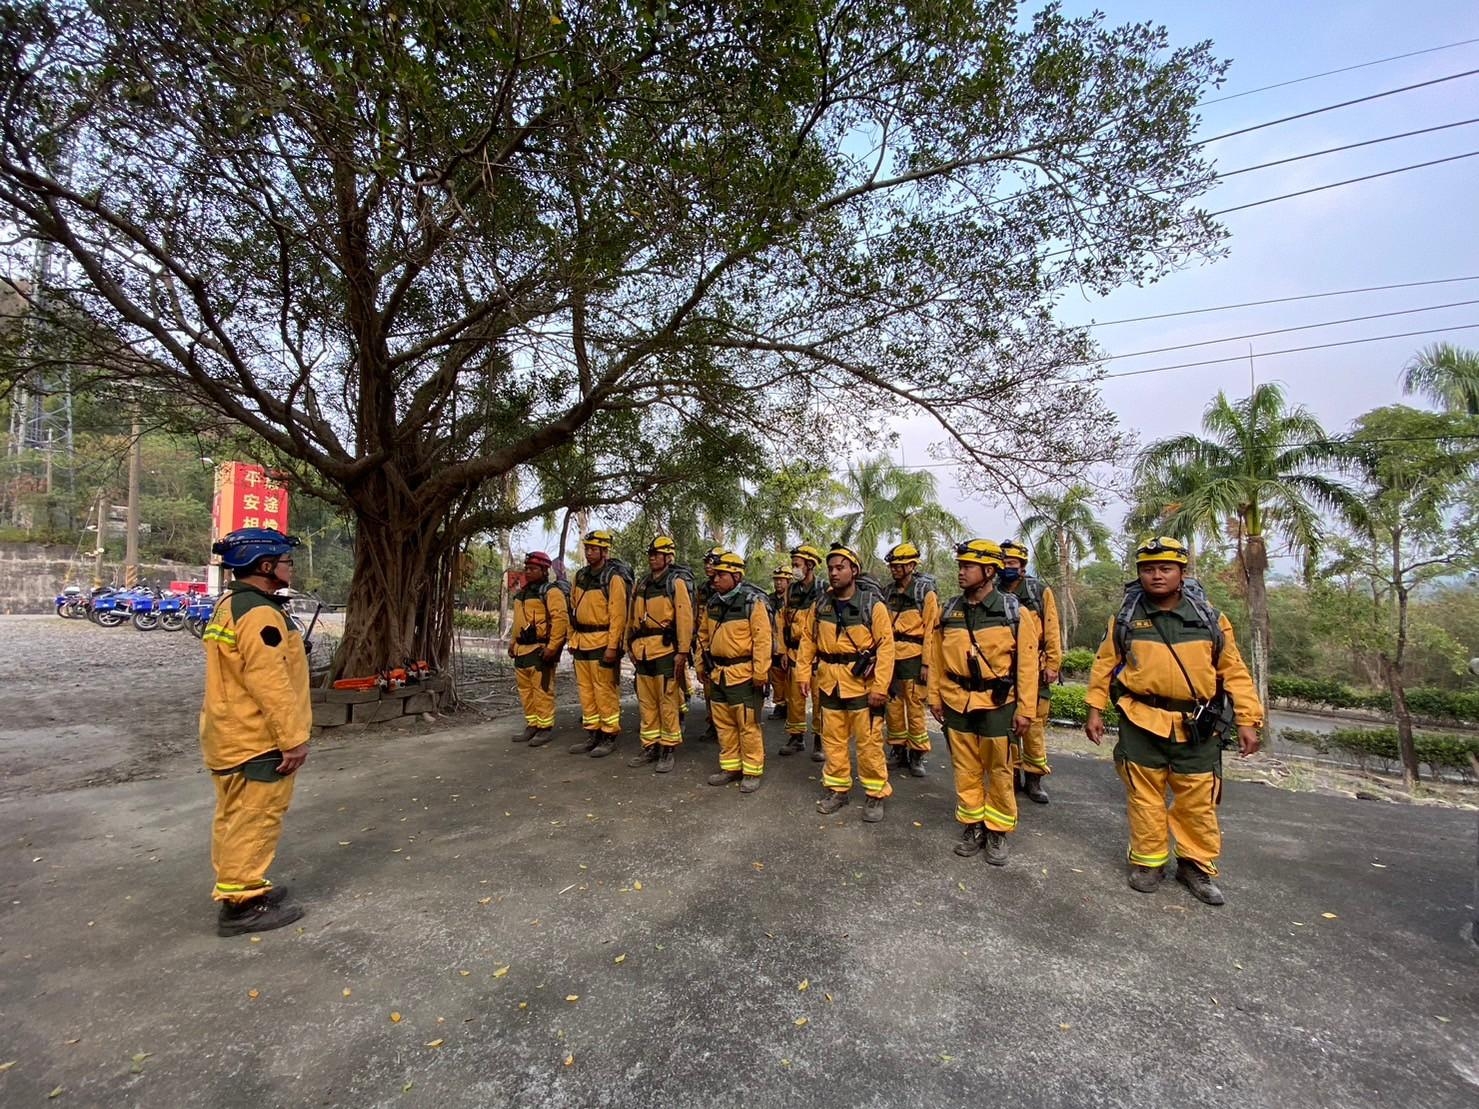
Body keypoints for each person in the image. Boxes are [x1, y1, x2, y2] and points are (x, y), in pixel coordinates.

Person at [1084, 536, 1262, 906]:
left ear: (1182, 572)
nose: (1156, 575)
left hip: (1197, 726)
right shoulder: (1126, 619)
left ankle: (1194, 865)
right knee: (1144, 796)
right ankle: (1149, 862)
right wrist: (1094, 710)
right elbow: (1103, 666)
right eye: (1148, 569)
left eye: (1165, 568)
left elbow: (1234, 671)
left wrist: (1248, 719)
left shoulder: (1210, 619)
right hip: (1140, 721)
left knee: (1197, 799)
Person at [199, 527, 311, 936]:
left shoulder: (230, 604)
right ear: (265, 566)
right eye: (285, 562)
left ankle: (238, 886)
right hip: (257, 738)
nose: (290, 568)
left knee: (233, 816)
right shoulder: (261, 613)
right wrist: (292, 739)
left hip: (227, 733)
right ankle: (243, 904)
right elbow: (270, 682)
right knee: (258, 817)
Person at [927, 539, 1039, 867]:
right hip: (956, 700)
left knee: (1000, 768)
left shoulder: (1013, 612)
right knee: (965, 767)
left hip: (997, 703)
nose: (961, 572)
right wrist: (934, 697)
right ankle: (973, 823)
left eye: (968, 567)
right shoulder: (949, 610)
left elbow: (1027, 666)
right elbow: (936, 658)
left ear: (989, 571)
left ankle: (998, 829)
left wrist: (1026, 709)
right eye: (960, 566)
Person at [797, 543, 896, 821]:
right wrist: (803, 673)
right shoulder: (821, 605)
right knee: (833, 741)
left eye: (840, 568)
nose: (834, 573)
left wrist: (881, 687)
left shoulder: (872, 605)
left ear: (854, 570)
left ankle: (875, 793)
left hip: (862, 686)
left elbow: (886, 648)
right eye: (831, 568)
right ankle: (837, 789)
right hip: (829, 682)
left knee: (869, 743)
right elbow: (808, 640)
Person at [697, 551, 772, 793]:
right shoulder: (713, 603)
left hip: (744, 674)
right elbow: (702, 636)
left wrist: (760, 672)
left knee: (747, 725)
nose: (715, 579)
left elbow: (762, 640)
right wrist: (700, 664)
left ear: (736, 576)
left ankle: (751, 770)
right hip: (718, 673)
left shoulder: (752, 602)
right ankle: (730, 767)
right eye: (715, 575)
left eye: (721, 575)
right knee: (724, 723)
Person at [998, 538, 1061, 804]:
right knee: (1008, 724)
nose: (1007, 567)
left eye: (1012, 563)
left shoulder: (1038, 591)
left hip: (1035, 666)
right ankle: (1012, 774)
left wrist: (1053, 664)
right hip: (1005, 670)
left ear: (1022, 566)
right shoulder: (995, 592)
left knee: (1033, 725)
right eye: (1003, 562)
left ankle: (1034, 778)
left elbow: (1052, 628)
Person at [626, 536, 694, 774]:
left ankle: (668, 748)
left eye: (657, 554)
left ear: (668, 557)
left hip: (665, 651)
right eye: (651, 554)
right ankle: (650, 746)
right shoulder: (642, 583)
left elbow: (684, 619)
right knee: (646, 702)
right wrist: (628, 645)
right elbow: (631, 617)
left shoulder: (675, 583)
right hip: (642, 651)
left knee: (667, 701)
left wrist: (682, 651)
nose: (652, 558)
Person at [568, 530, 630, 758]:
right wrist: (571, 637)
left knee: (604, 690)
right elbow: (571, 608)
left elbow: (618, 615)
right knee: (586, 690)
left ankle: (609, 734)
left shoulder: (613, 578)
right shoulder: (580, 576)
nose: (589, 552)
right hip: (581, 642)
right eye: (587, 548)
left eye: (594, 549)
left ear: (605, 551)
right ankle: (592, 732)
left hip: (602, 642)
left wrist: (613, 646)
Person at [882, 541, 940, 778]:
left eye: (899, 565)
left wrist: (926, 663)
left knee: (915, 707)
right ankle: (898, 749)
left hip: (914, 657)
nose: (894, 569)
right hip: (891, 657)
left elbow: (931, 631)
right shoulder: (887, 592)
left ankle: (917, 753)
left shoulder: (925, 593)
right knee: (892, 705)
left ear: (912, 566)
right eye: (893, 566)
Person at [508, 551, 569, 747]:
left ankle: (544, 727)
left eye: (533, 569)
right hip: (521, 649)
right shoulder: (522, 594)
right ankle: (532, 724)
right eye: (527, 568)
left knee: (542, 689)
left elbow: (560, 620)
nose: (528, 572)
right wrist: (512, 643)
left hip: (540, 649)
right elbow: (518, 622)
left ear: (544, 571)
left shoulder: (551, 592)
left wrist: (553, 647)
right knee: (525, 691)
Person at [779, 543, 827, 760]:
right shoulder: (791, 590)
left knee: (819, 698)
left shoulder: (824, 590)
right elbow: (782, 622)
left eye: (797, 565)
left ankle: (820, 739)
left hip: (817, 654)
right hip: (794, 652)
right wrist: (782, 651)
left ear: (810, 565)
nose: (794, 569)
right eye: (793, 565)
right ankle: (796, 737)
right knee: (795, 698)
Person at [767, 564, 792, 719]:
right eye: (776, 580)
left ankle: (791, 706)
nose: (778, 583)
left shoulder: (793, 601)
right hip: (772, 646)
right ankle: (780, 705)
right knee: (776, 678)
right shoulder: (769, 600)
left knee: (789, 679)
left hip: (789, 647)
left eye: (781, 580)